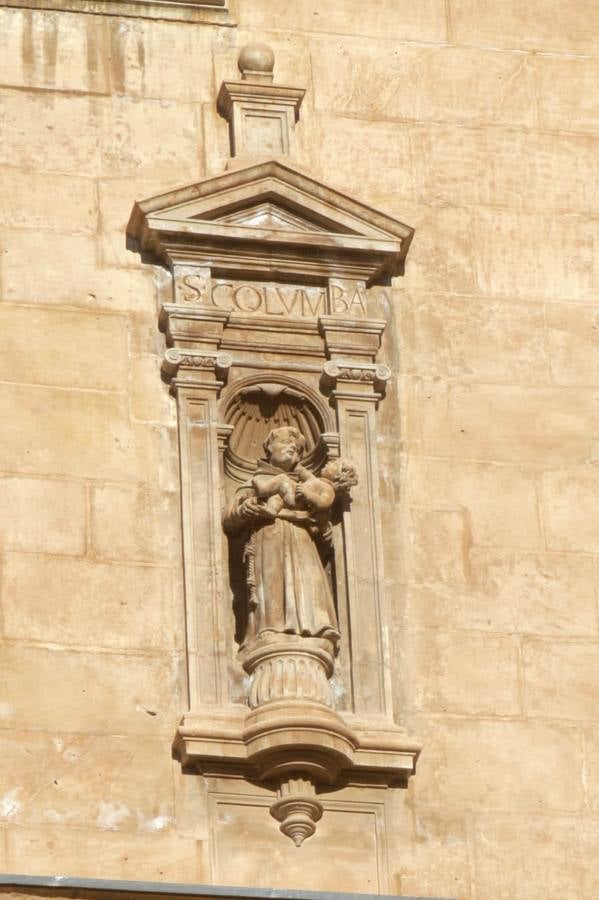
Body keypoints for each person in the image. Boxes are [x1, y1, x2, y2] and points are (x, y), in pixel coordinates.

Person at [224, 426, 346, 647]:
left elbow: (325, 539)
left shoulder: (307, 485)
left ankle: (315, 630)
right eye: (285, 442)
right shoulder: (255, 482)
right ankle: (270, 629)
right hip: (269, 540)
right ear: (268, 447)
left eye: (297, 448)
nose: (292, 448)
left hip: (303, 542)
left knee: (309, 585)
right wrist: (244, 510)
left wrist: (322, 527)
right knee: (272, 588)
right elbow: (230, 519)